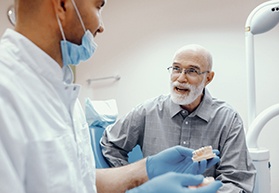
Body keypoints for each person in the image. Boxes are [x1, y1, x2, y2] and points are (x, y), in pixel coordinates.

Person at [0, 0, 222, 193]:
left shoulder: (62, 88)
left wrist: (143, 170)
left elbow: (79, 183)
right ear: (62, 4)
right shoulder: (7, 92)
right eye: (98, 6)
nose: (101, 26)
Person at [101, 44, 257, 192]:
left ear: (208, 78)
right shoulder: (147, 111)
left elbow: (236, 181)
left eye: (192, 71)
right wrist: (134, 183)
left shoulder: (228, 120)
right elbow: (110, 144)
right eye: (176, 69)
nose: (181, 78)